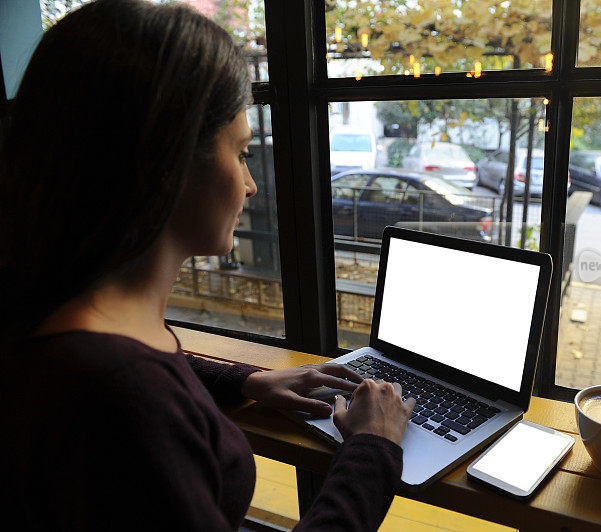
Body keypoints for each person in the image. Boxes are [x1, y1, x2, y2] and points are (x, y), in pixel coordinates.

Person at [0, 1, 415, 530]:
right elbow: (130, 394)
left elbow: (137, 372)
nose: (251, 183)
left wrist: (242, 381)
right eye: (241, 152)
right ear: (170, 158)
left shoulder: (52, 308)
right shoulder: (122, 401)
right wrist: (374, 449)